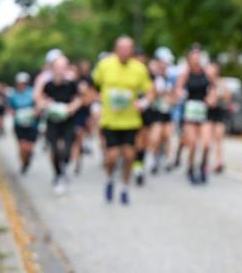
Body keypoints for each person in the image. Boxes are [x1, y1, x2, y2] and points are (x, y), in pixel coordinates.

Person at [92, 36, 154, 204]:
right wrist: (96, 105)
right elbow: (94, 86)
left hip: (130, 121)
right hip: (110, 119)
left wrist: (144, 102)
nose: (125, 52)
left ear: (132, 51)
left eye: (128, 49)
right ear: (116, 49)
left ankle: (125, 187)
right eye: (121, 48)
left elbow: (150, 90)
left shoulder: (139, 68)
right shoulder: (105, 65)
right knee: (112, 156)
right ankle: (110, 179)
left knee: (128, 156)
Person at [38, 56, 82, 195]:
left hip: (68, 121)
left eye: (64, 67)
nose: (61, 71)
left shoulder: (71, 84)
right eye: (58, 67)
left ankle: (64, 169)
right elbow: (41, 101)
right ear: (52, 69)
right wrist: (47, 104)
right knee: (55, 150)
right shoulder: (48, 85)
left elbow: (78, 99)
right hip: (53, 122)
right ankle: (58, 175)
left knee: (67, 150)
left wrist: (70, 107)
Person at [174, 44, 213, 184]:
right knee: (193, 143)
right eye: (193, 56)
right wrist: (180, 94)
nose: (196, 59)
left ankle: (203, 166)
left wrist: (211, 97)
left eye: (198, 56)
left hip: (203, 111)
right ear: (189, 58)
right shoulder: (185, 73)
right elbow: (178, 88)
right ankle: (190, 168)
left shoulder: (207, 72)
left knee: (207, 143)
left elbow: (214, 87)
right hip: (190, 110)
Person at [146, 48, 176, 175]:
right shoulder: (152, 75)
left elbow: (174, 95)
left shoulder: (170, 77)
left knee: (167, 135)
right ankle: (152, 159)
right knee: (155, 137)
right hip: (155, 111)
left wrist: (171, 97)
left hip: (167, 110)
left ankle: (167, 158)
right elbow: (150, 93)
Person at [8, 72, 40, 174]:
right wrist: (14, 112)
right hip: (19, 124)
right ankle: (23, 163)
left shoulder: (33, 93)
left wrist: (35, 111)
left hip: (32, 123)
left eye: (24, 83)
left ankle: (28, 158)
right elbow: (9, 108)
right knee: (22, 146)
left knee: (29, 148)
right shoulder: (13, 95)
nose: (22, 85)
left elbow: (38, 105)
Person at [206, 62, 232, 174]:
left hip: (219, 112)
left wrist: (219, 95)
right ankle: (205, 162)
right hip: (208, 112)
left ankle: (219, 162)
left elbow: (228, 96)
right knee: (207, 139)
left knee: (219, 138)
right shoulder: (205, 82)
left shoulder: (221, 82)